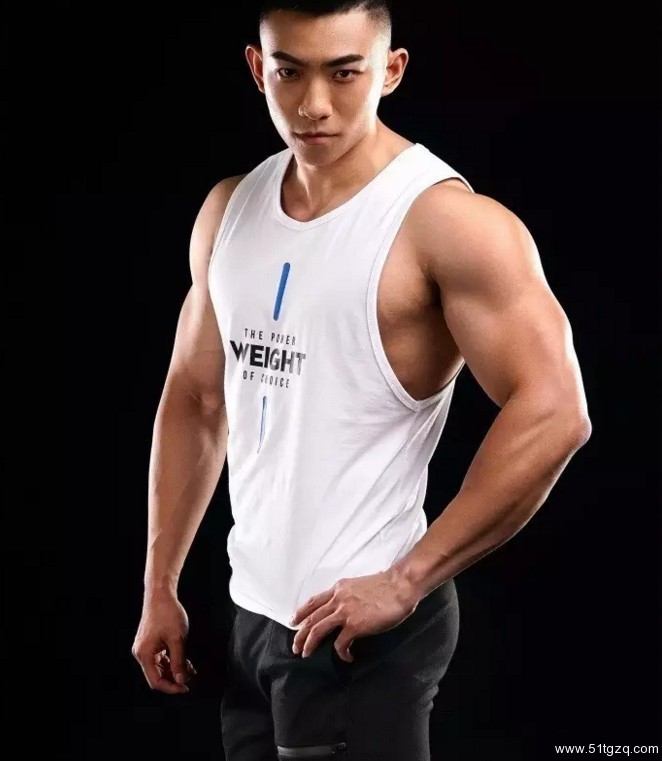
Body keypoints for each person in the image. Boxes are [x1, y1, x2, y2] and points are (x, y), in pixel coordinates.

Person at [131, 0, 592, 758]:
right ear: (258, 69)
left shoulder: (445, 223)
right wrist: (159, 584)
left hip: (360, 634)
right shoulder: (230, 209)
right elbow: (197, 397)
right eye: (290, 73)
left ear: (391, 70)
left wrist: (408, 579)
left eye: (345, 73)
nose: (314, 104)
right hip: (252, 618)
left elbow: (556, 410)